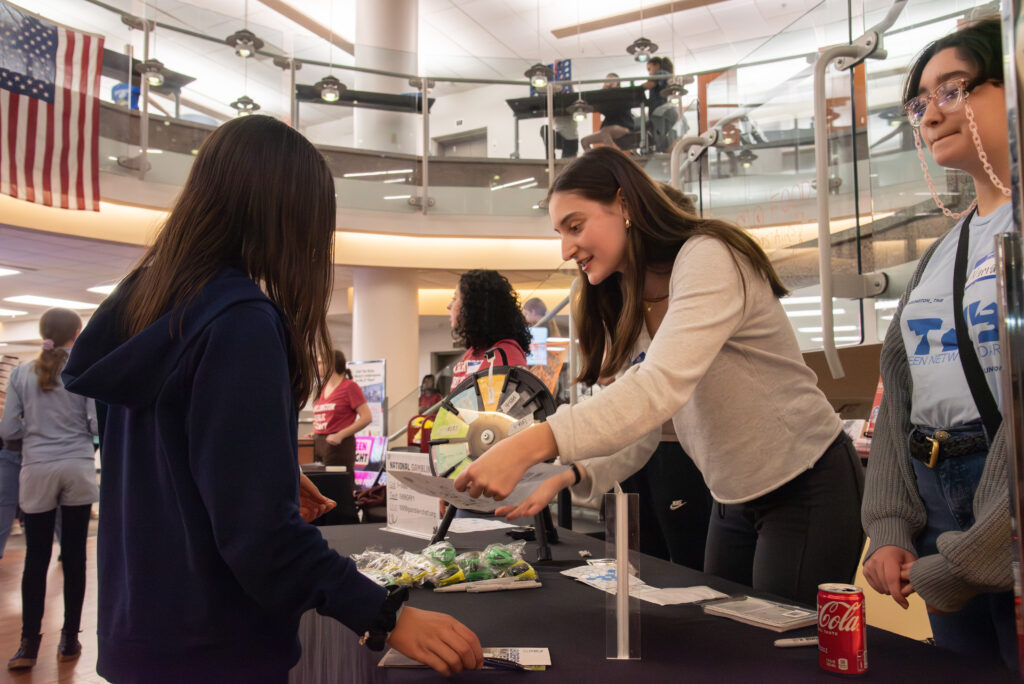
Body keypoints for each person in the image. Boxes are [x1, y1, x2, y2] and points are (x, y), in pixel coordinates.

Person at [62, 115, 482, 681]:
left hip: (141, 635)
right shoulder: (239, 321)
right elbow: (258, 537)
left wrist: (269, 472)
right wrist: (386, 615)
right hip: (218, 646)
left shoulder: (150, 307)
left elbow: (171, 470)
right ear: (289, 215)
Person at [454, 146, 864, 606]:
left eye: (575, 226)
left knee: (779, 656)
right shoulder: (630, 295)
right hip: (731, 497)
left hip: (805, 483)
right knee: (725, 642)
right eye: (560, 233)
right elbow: (646, 423)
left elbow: (659, 386)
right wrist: (567, 472)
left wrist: (531, 444)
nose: (566, 249)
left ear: (625, 205)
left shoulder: (709, 256)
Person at [860, 18, 1017, 670]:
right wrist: (890, 526)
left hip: (1000, 495)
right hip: (935, 494)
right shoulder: (943, 250)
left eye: (952, 90)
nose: (930, 116)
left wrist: (971, 554)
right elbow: (901, 388)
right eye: (920, 102)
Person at [0, 308, 98, 669]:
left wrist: (37, 431)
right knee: (74, 557)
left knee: (36, 559)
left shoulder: (22, 372)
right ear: (77, 331)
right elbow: (94, 422)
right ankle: (69, 640)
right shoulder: (82, 369)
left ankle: (28, 646)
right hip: (77, 467)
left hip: (36, 469)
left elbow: (9, 430)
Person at [447, 269, 531, 392]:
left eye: (455, 298)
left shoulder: (506, 354)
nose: (449, 305)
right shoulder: (473, 352)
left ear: (473, 306)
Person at [312, 350, 372, 470]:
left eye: (320, 363)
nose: (316, 366)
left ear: (330, 364)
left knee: (337, 484)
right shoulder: (321, 388)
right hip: (319, 443)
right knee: (318, 483)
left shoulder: (349, 387)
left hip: (339, 445)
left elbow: (366, 417)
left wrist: (340, 435)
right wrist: (315, 432)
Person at [643, 57, 681, 152]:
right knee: (670, 139)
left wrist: (636, 89)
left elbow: (650, 84)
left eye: (649, 69)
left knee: (661, 142)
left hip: (660, 113)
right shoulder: (668, 75)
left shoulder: (660, 73)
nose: (649, 73)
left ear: (657, 65)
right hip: (669, 112)